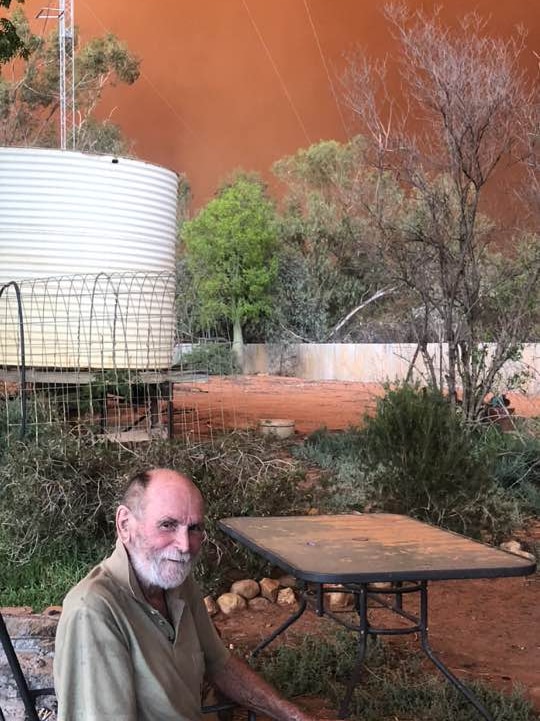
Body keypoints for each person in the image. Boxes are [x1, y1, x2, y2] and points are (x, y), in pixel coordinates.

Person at [54, 468, 328, 721]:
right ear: (125, 524)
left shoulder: (177, 585)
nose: (185, 545)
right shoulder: (92, 610)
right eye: (167, 525)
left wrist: (295, 717)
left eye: (194, 528)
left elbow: (219, 664)